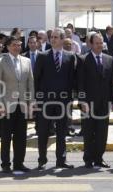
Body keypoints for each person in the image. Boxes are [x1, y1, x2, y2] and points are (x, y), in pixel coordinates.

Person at [34, 28, 76, 170]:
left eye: (56, 37)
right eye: (52, 37)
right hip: (45, 102)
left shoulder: (70, 57)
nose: (53, 39)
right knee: (43, 132)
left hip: (63, 102)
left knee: (62, 132)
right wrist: (37, 100)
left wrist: (71, 99)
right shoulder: (42, 56)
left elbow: (72, 80)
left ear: (63, 39)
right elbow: (36, 80)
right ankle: (42, 159)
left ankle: (61, 160)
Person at [0, 36, 35, 173]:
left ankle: (19, 163)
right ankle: (5, 164)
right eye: (14, 45)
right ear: (8, 47)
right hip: (7, 105)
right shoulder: (0, 62)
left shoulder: (27, 61)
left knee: (21, 136)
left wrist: (30, 103)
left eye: (19, 44)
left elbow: (30, 84)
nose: (17, 47)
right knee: (6, 136)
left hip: (22, 105)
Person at [78, 33, 113, 169]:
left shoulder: (110, 59)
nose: (100, 45)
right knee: (89, 133)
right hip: (88, 105)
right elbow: (80, 84)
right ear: (90, 44)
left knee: (102, 133)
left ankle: (99, 158)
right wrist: (82, 101)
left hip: (104, 104)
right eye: (97, 43)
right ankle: (88, 159)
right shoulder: (83, 59)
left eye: (101, 43)